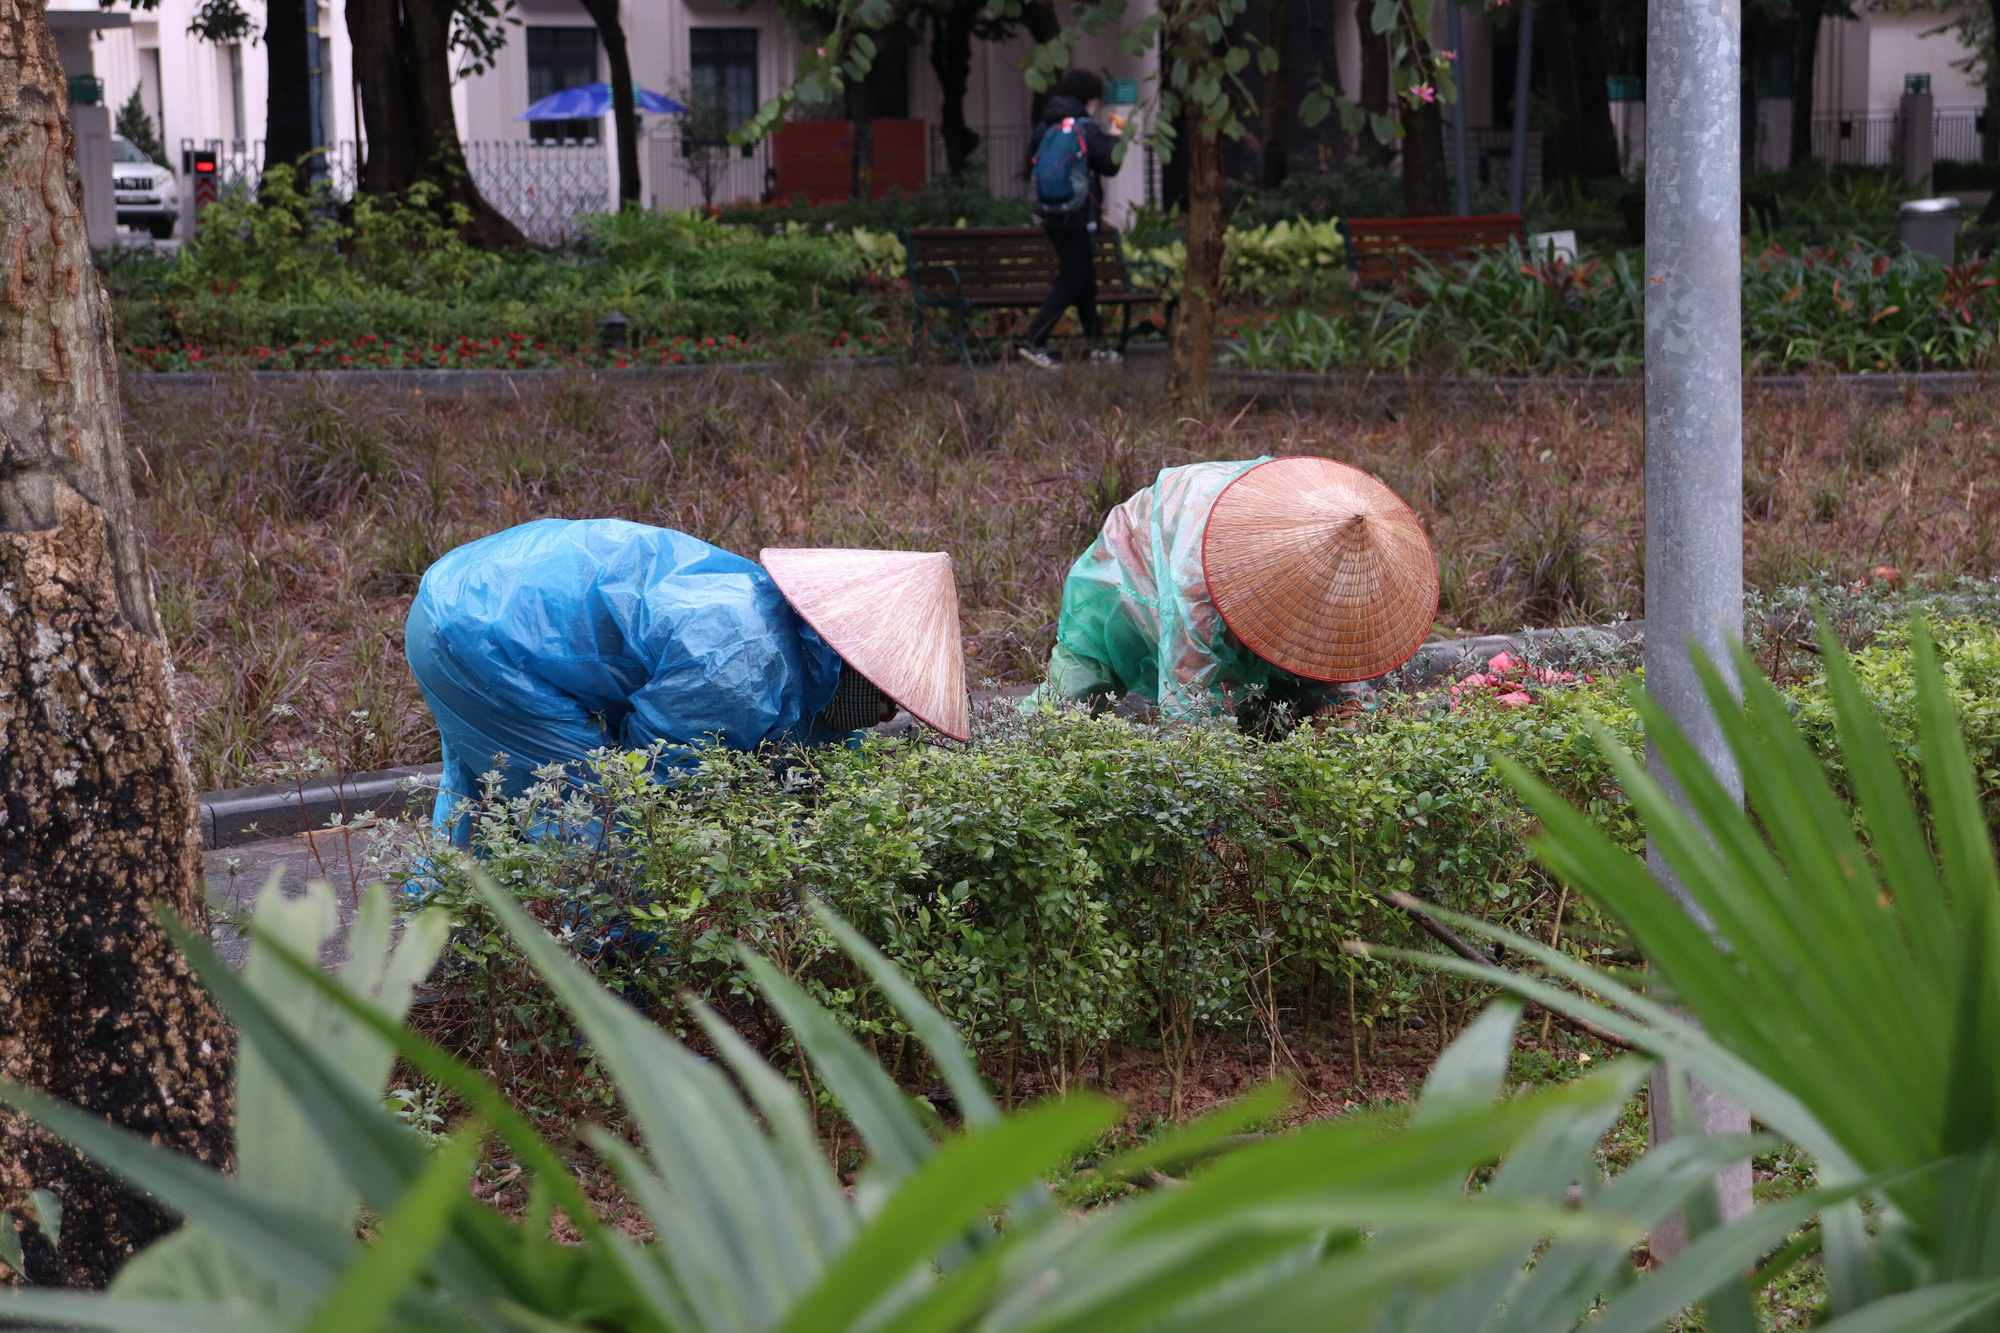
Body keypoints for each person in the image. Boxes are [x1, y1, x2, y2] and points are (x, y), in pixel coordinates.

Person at [405, 519, 969, 843]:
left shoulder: (788, 635)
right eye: (891, 697)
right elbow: (654, 779)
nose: (890, 716)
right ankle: (611, 1035)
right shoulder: (743, 669)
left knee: (481, 787)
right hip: (485, 640)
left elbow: (818, 741)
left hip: (464, 589)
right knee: (601, 828)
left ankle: (437, 947)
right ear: (857, 666)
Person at [1038, 456, 1438, 719]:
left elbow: (1340, 665)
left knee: (1299, 696)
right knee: (1078, 689)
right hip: (1136, 561)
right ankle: (1011, 751)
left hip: (1222, 538)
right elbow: (1191, 706)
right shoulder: (1196, 589)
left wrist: (1352, 719)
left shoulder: (1338, 573)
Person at [1020, 69, 1124, 370]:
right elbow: (1109, 165)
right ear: (1090, 99)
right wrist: (1115, 136)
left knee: (1084, 279)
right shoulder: (1086, 129)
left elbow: (1031, 165)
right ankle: (1034, 340)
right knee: (1074, 277)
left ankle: (1098, 344)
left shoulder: (1045, 127)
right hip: (1080, 216)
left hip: (1052, 215)